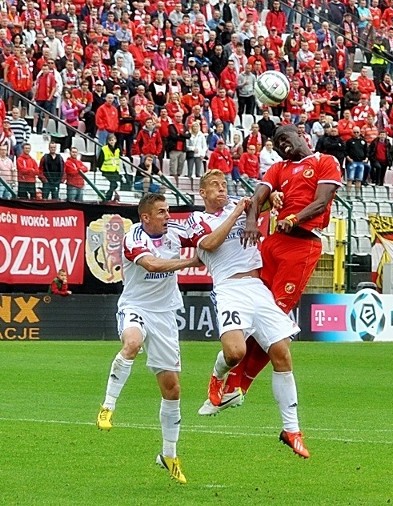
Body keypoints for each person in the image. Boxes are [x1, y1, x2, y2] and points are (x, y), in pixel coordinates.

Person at [198, 124, 341, 415]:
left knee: (274, 320)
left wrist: (294, 217)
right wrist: (252, 220)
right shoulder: (278, 168)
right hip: (274, 243)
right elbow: (258, 196)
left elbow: (322, 201)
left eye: (284, 139)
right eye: (276, 144)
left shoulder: (324, 161)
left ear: (301, 135)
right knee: (255, 311)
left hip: (302, 245)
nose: (281, 145)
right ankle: (228, 382)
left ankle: (237, 387)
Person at [187, 171, 308, 458]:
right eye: (214, 186)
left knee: (282, 353)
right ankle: (218, 377)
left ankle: (291, 430)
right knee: (234, 353)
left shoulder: (240, 207)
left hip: (256, 287)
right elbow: (210, 244)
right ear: (203, 193)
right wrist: (240, 211)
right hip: (229, 289)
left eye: (224, 185)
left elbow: (266, 201)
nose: (221, 189)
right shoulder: (198, 219)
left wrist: (272, 199)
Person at [96, 193, 201, 484]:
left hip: (165, 315)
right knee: (132, 343)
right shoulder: (133, 238)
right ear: (146, 217)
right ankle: (108, 406)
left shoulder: (176, 233)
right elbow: (153, 265)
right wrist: (192, 261)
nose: (168, 215)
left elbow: (207, 236)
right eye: (162, 212)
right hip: (136, 307)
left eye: (168, 211)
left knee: (173, 389)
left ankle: (168, 454)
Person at [97, 134, 122, 201]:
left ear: (115, 140)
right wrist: (100, 168)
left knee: (114, 185)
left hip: (115, 170)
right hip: (107, 170)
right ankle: (108, 197)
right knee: (114, 184)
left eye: (112, 140)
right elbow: (100, 159)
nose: (111, 142)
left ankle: (108, 197)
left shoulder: (118, 149)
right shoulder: (104, 149)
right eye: (110, 140)